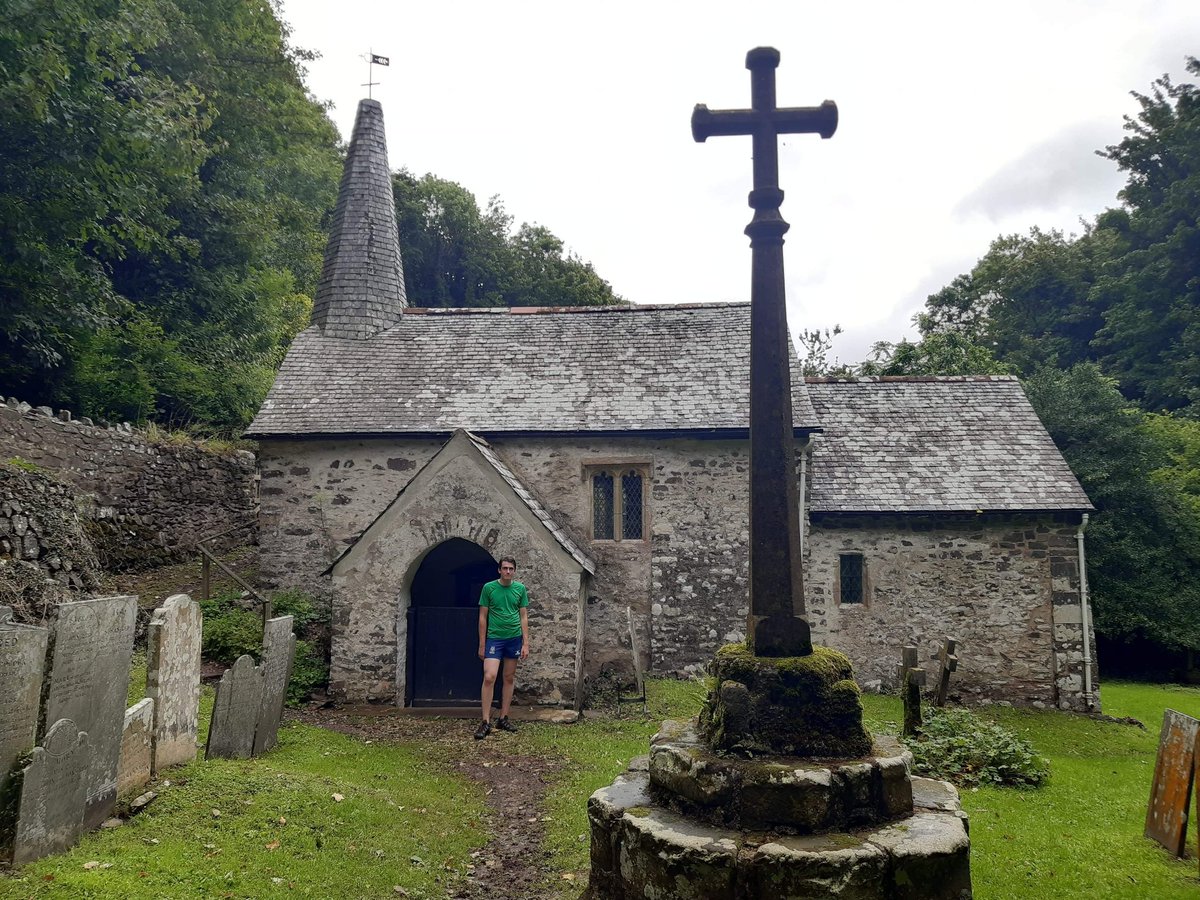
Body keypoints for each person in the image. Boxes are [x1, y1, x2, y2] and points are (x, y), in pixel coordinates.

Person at [475, 557, 529, 739]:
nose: (507, 572)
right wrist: (482, 643)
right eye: (504, 568)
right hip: (494, 638)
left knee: (508, 677)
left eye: (511, 569)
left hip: (513, 638)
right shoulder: (489, 588)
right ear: (499, 570)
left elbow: (523, 616)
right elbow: (483, 616)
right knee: (489, 676)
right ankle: (485, 721)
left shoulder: (520, 589)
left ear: (514, 571)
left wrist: (525, 643)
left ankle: (504, 717)